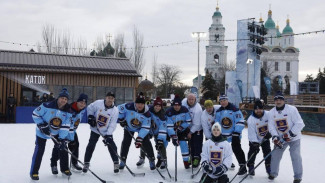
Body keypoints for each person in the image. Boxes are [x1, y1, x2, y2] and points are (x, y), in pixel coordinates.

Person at [30, 88, 72, 180]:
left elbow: (65, 125)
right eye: (62, 98)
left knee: (63, 148)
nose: (64, 100)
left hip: (56, 133)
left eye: (66, 99)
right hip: (42, 132)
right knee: (39, 151)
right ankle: (34, 172)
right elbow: (35, 114)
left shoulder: (68, 110)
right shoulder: (47, 105)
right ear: (58, 98)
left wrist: (62, 139)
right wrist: (41, 125)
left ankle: (64, 169)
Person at [268, 91, 305, 183]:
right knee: (275, 155)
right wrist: (275, 137)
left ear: (284, 100)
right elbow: (271, 126)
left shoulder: (292, 109)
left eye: (280, 99)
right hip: (281, 139)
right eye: (276, 100)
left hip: (294, 138)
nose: (278, 101)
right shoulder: (271, 112)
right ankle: (273, 173)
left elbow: (300, 123)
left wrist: (290, 135)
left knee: (295, 156)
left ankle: (298, 176)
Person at [82, 92, 120, 173]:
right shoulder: (98, 103)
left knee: (112, 146)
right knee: (91, 145)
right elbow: (90, 108)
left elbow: (113, 124)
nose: (110, 100)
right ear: (106, 97)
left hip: (106, 131)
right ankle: (86, 163)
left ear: (114, 99)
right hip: (95, 129)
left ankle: (116, 163)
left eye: (112, 98)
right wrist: (90, 116)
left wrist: (109, 135)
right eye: (109, 97)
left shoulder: (115, 110)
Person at [50, 93, 88, 173]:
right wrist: (69, 138)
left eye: (84, 103)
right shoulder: (69, 109)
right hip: (62, 130)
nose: (82, 104)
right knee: (59, 147)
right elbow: (67, 124)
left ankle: (74, 163)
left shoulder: (82, 109)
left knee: (75, 145)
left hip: (72, 130)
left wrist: (72, 138)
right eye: (81, 102)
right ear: (77, 102)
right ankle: (53, 164)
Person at [118, 92, 156, 170]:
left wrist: (139, 138)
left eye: (142, 104)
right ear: (135, 103)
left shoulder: (147, 114)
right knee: (126, 142)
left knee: (146, 143)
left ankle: (151, 160)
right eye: (138, 103)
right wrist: (121, 119)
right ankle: (123, 160)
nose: (139, 105)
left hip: (140, 128)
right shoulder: (129, 106)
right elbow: (118, 109)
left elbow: (145, 128)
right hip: (128, 127)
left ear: (144, 104)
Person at [215, 94, 247, 175]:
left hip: (234, 134)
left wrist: (237, 132)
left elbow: (240, 121)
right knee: (222, 150)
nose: (223, 102)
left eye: (224, 100)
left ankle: (243, 166)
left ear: (227, 100)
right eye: (221, 101)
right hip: (222, 135)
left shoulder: (235, 109)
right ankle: (226, 163)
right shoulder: (219, 111)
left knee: (237, 149)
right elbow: (217, 122)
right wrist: (217, 132)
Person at [136, 97, 168, 169]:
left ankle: (163, 160)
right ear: (154, 105)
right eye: (156, 106)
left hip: (157, 132)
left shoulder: (163, 115)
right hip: (148, 130)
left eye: (159, 106)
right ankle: (142, 158)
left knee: (160, 143)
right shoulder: (148, 110)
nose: (157, 107)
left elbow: (163, 128)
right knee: (143, 141)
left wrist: (160, 138)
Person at [246, 99, 272, 176]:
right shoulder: (251, 119)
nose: (258, 111)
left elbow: (273, 123)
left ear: (262, 108)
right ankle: (251, 166)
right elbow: (251, 133)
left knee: (267, 151)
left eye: (260, 109)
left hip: (265, 138)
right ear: (254, 110)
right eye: (256, 109)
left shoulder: (268, 114)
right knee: (252, 152)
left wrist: (270, 132)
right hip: (254, 139)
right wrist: (255, 143)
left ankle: (268, 166)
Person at [166, 95, 192, 169]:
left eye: (178, 105)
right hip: (171, 130)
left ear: (180, 105)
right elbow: (169, 126)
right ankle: (161, 160)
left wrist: (181, 127)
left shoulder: (185, 110)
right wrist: (174, 137)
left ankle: (186, 162)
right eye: (175, 105)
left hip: (182, 130)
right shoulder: (169, 112)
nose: (176, 107)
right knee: (164, 141)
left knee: (183, 144)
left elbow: (188, 121)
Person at [181, 93, 203, 168]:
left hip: (198, 128)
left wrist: (190, 132)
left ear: (195, 100)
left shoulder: (198, 109)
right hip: (188, 126)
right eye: (189, 99)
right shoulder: (184, 102)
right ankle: (191, 156)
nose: (190, 101)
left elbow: (197, 124)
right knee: (190, 143)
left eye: (192, 99)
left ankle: (197, 158)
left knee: (196, 144)